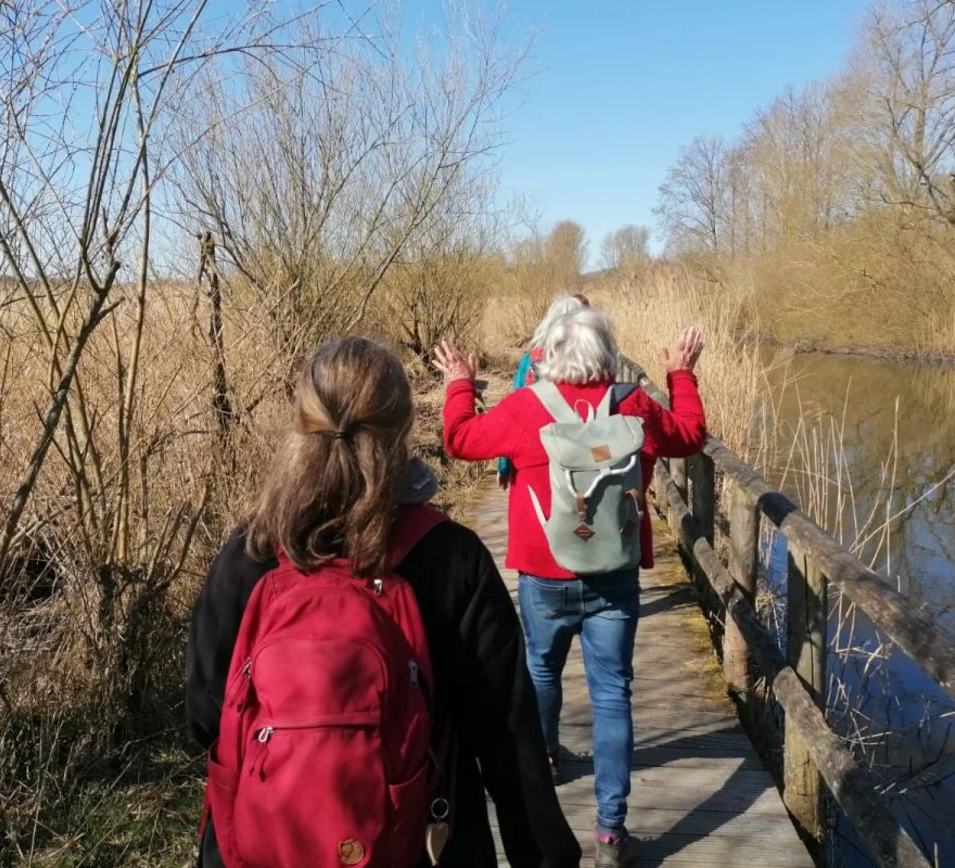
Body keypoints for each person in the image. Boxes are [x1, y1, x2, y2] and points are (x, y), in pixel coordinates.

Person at [186, 336, 580, 868]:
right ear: (404, 429)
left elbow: (206, 718)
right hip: (421, 843)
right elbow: (509, 738)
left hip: (262, 847)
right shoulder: (451, 558)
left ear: (300, 423)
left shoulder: (248, 555)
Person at [432, 311, 706, 868]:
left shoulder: (527, 407)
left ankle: (548, 759)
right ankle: (610, 833)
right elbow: (690, 437)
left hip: (545, 573)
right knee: (612, 695)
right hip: (616, 575)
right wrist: (680, 375)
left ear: (545, 353)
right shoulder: (632, 404)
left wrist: (460, 382)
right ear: (607, 349)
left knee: (539, 671)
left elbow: (459, 440)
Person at [497, 293, 590, 490]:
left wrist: (504, 465)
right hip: (587, 462)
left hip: (537, 458)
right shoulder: (598, 365)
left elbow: (514, 413)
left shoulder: (531, 361)